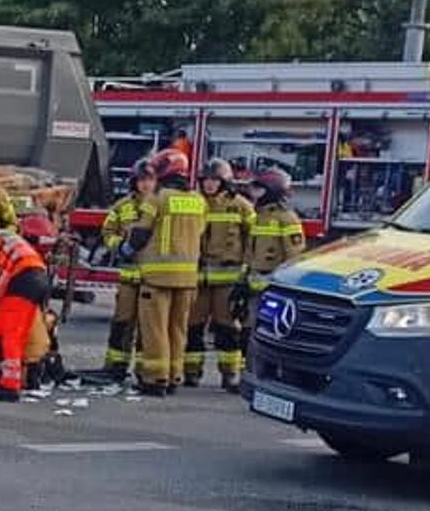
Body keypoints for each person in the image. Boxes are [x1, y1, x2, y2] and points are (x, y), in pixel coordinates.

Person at [122, 148, 205, 397]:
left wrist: (125, 250)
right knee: (178, 329)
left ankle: (155, 378)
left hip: (158, 277)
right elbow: (200, 232)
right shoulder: (198, 200)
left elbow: (140, 233)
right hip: (188, 278)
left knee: (155, 329)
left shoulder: (157, 199)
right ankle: (174, 376)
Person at [186, 158, 255, 391]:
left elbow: (253, 239)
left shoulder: (240, 205)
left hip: (228, 278)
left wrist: (247, 269)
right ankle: (191, 372)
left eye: (214, 180)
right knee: (193, 326)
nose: (209, 184)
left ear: (225, 181)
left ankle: (230, 375)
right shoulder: (194, 203)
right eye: (205, 180)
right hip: (199, 277)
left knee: (227, 328)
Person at [0, 219, 54, 401]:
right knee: (20, 330)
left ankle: (9, 386)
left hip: (22, 278)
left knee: (10, 333)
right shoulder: (3, 236)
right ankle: (29, 377)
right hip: (38, 275)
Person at [99, 161, 155, 377]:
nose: (145, 185)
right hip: (128, 276)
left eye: (149, 180)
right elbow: (107, 233)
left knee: (147, 326)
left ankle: (143, 369)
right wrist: (120, 246)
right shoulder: (122, 206)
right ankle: (116, 366)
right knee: (122, 322)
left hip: (152, 277)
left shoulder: (160, 205)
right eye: (141, 180)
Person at [243, 168, 307, 341]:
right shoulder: (257, 217)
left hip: (274, 288)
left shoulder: (287, 218)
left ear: (272, 191)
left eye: (260, 189)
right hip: (254, 287)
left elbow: (295, 257)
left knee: (270, 333)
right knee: (250, 331)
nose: (255, 194)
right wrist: (243, 279)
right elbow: (250, 251)